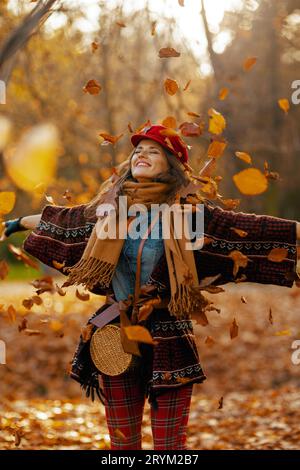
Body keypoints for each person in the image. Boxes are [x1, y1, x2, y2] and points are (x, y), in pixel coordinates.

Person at [1, 124, 300, 450]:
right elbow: (61, 220)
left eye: (153, 150)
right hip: (114, 335)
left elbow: (249, 229)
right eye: (138, 150)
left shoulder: (190, 214)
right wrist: (15, 224)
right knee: (122, 446)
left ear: (170, 164)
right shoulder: (107, 210)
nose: (141, 154)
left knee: (170, 448)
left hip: (170, 337)